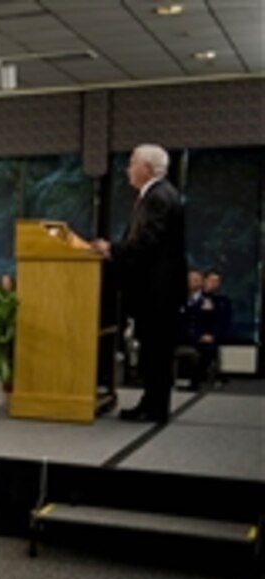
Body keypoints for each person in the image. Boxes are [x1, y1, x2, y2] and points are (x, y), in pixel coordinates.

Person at [93, 143, 187, 423]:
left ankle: (155, 407)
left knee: (156, 351)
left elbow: (148, 243)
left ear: (146, 168)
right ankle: (151, 403)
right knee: (153, 350)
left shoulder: (158, 197)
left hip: (158, 291)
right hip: (158, 290)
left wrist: (112, 249)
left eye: (131, 163)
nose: (127, 170)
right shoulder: (160, 194)